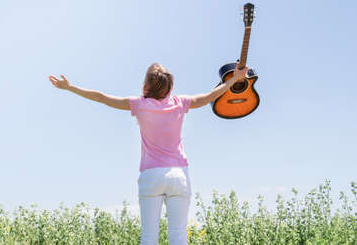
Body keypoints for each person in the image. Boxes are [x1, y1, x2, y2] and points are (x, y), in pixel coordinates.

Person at [49, 63, 248, 245]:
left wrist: (70, 87)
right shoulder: (180, 102)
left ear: (147, 85)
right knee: (178, 235)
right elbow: (209, 96)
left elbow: (101, 97)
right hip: (178, 175)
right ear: (170, 86)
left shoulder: (139, 105)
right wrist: (232, 80)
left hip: (151, 176)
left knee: (149, 237)